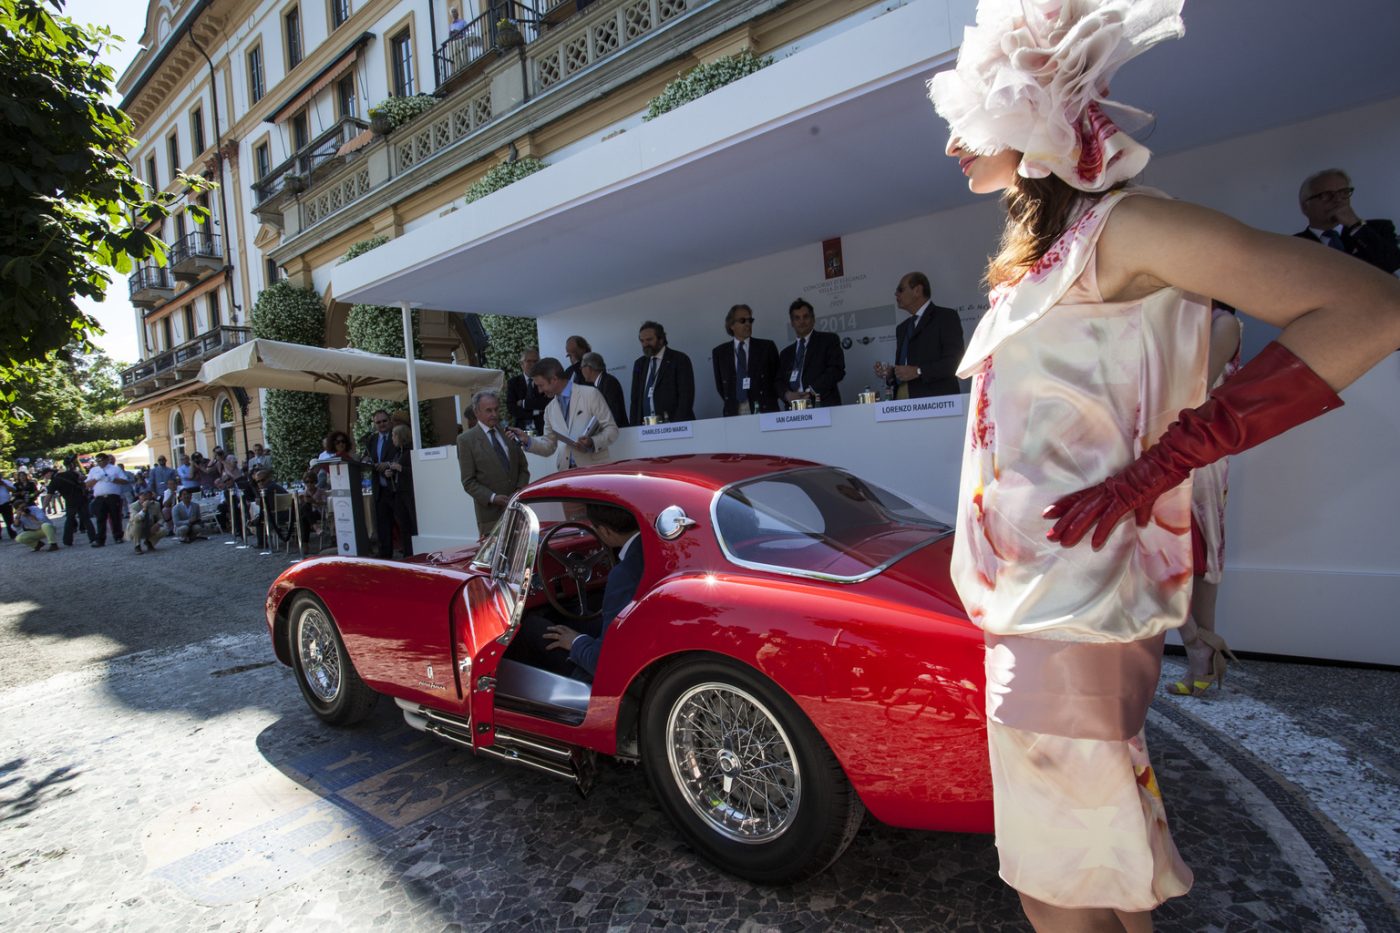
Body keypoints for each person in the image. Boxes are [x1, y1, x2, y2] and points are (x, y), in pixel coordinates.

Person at [928, 0, 1400, 927]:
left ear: (1044, 116)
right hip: (1040, 602)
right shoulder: (1045, 255)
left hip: (1069, 613)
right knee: (1103, 862)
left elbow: (1371, 309)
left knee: (1053, 879)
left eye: (977, 110)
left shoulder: (1126, 228)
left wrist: (1163, 465)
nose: (951, 142)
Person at [1170, 303, 1243, 697]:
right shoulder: (1176, 318)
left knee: (1199, 558)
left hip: (1199, 450)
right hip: (1167, 443)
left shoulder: (1223, 323)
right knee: (1168, 552)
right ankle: (1200, 645)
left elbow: (1195, 388)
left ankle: (1200, 648)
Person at [519, 502, 643, 681]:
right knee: (570, 615)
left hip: (612, 671)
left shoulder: (624, 575)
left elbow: (605, 661)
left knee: (529, 626)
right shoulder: (649, 551)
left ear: (606, 532)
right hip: (639, 643)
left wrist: (575, 642)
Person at [506, 357, 619, 471]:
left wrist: (592, 442)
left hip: (595, 470)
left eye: (541, 385)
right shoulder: (550, 409)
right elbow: (549, 446)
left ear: (554, 379)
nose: (540, 390)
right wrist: (527, 440)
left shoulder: (591, 394)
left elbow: (612, 429)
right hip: (566, 474)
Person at [873, 272, 964, 398]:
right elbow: (907, 368)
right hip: (903, 403)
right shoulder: (902, 328)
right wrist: (891, 373)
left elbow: (954, 361)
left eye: (900, 289)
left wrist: (918, 371)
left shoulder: (945, 317)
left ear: (917, 290)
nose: (896, 294)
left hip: (937, 402)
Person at [1294, 169, 1400, 273]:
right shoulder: (1294, 244)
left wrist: (1356, 225)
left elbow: (1392, 264)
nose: (1338, 199)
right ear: (1305, 207)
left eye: (1344, 192)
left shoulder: (1378, 228)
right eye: (1325, 195)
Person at [457, 389, 530, 536]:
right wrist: (492, 498)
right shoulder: (466, 440)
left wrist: (519, 490)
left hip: (518, 511)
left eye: (496, 409)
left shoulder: (508, 433)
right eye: (489, 410)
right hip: (490, 517)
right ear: (477, 412)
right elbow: (468, 481)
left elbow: (523, 467)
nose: (494, 414)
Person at [712, 303, 780, 416]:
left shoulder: (766, 347)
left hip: (764, 409)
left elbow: (777, 379)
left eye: (750, 320)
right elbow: (721, 386)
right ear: (731, 325)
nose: (748, 324)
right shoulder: (720, 352)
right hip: (734, 411)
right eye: (743, 320)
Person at [778, 298, 846, 408]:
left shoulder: (828, 340)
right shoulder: (785, 353)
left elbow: (837, 370)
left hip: (823, 406)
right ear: (792, 323)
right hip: (793, 411)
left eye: (805, 317)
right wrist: (787, 395)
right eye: (797, 318)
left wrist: (811, 392)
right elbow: (778, 381)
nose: (802, 321)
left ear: (813, 319)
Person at [629, 320, 695, 423]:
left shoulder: (679, 359)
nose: (645, 344)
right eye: (642, 341)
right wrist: (634, 426)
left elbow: (686, 397)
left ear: (661, 339)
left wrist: (677, 425)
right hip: (646, 428)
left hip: (675, 425)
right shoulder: (639, 364)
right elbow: (635, 400)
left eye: (649, 340)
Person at [360, 409, 401, 559]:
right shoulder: (372, 439)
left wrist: (389, 465)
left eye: (384, 421)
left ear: (389, 421)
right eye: (378, 422)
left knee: (401, 522)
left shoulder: (396, 435)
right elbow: (368, 458)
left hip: (395, 487)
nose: (382, 424)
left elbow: (402, 455)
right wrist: (366, 462)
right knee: (382, 524)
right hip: (379, 488)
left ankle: (409, 553)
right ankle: (386, 555)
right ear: (374, 424)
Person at [49, 458, 96, 546]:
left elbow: (49, 495)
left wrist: (44, 507)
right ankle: (93, 538)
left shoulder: (55, 480)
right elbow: (83, 480)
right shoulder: (72, 473)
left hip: (70, 501)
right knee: (86, 519)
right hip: (80, 498)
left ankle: (67, 541)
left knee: (69, 521)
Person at [387, 423, 417, 558]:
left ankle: (414, 552)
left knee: (412, 524)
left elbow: (417, 471)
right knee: (403, 525)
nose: (392, 438)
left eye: (394, 435)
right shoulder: (397, 452)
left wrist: (400, 469)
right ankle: (407, 553)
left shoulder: (410, 451)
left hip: (409, 493)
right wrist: (390, 472)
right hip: (398, 493)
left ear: (400, 436)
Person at [85, 453, 129, 546]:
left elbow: (125, 481)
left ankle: (118, 537)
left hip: (113, 496)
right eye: (98, 461)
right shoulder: (94, 470)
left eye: (101, 460)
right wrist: (96, 479)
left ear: (107, 460)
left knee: (115, 517)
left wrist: (112, 479)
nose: (100, 463)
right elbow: (87, 485)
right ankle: (100, 539)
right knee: (100, 519)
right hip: (99, 497)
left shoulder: (115, 469)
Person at [578, 351, 628, 428]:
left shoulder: (609, 383)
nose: (581, 370)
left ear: (588, 368)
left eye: (581, 367)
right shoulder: (600, 384)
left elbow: (614, 413)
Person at [506, 347, 547, 433]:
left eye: (535, 361)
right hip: (521, 429)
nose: (533, 364)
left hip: (543, 427)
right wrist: (536, 412)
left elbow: (546, 403)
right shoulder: (513, 382)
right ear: (521, 364)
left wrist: (523, 403)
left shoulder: (545, 380)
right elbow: (512, 408)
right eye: (528, 361)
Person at [126, 489, 165, 553]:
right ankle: (137, 545)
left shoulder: (156, 505)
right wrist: (144, 509)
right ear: (139, 497)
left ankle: (149, 542)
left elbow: (161, 518)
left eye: (147, 497)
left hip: (150, 527)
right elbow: (135, 519)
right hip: (135, 529)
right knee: (137, 524)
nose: (145, 499)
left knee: (164, 530)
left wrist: (157, 524)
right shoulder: (133, 506)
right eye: (143, 497)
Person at [0, 473, 17, 539]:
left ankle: (12, 534)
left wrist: (4, 485)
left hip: (6, 503)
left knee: (9, 520)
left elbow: (14, 490)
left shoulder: (6, 482)